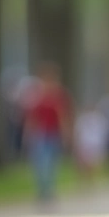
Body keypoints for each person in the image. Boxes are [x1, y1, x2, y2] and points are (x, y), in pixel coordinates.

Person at [22, 63, 72, 205]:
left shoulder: (58, 96)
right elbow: (32, 118)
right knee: (40, 163)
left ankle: (48, 189)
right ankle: (42, 189)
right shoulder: (37, 96)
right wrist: (28, 134)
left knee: (51, 164)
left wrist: (66, 134)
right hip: (40, 134)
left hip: (53, 134)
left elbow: (63, 117)